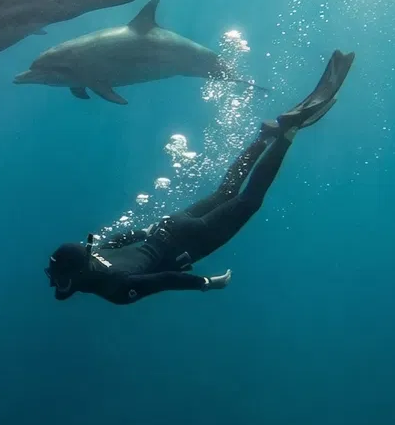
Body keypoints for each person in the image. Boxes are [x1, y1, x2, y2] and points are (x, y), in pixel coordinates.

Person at [44, 50, 355, 305]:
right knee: (227, 190)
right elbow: (123, 238)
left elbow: (165, 279)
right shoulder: (95, 252)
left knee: (248, 201)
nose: (56, 283)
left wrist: (206, 283)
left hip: (189, 239)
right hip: (170, 224)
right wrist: (150, 228)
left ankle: (287, 132)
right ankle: (264, 136)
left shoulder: (114, 289)